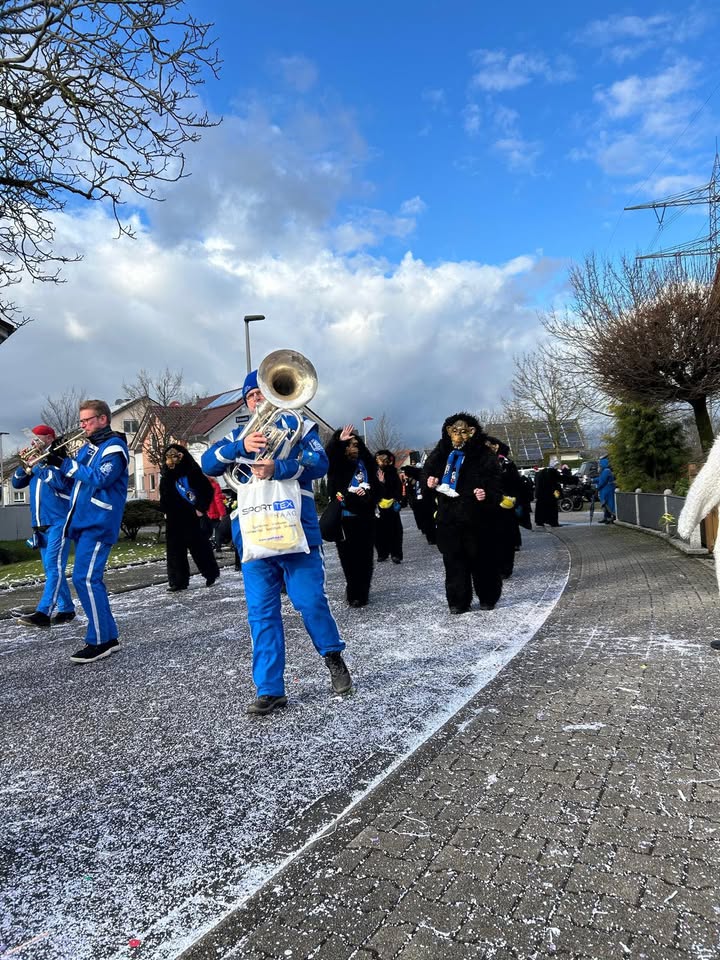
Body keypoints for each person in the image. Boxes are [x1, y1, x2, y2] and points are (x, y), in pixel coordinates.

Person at [202, 368, 352, 715]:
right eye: (252, 395)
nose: (259, 399)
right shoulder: (239, 435)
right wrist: (239, 446)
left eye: (263, 393)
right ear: (246, 401)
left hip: (296, 531)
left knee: (310, 601)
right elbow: (208, 464)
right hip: (253, 537)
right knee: (261, 614)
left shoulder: (302, 428)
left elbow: (319, 463)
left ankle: (333, 656)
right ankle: (270, 688)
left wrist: (279, 467)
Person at [58, 400, 129, 663]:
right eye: (82, 421)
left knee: (85, 579)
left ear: (103, 419)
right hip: (85, 522)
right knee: (87, 579)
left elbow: (101, 478)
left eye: (87, 420)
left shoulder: (115, 447)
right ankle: (107, 636)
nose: (83, 426)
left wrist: (69, 465)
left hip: (99, 521)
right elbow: (68, 479)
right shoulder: (89, 449)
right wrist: (50, 463)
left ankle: (100, 640)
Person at [424, 413, 503, 613]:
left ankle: (487, 597)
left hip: (478, 518)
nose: (458, 435)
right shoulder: (441, 452)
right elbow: (426, 474)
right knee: (453, 562)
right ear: (447, 431)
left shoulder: (483, 455)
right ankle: (458, 602)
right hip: (449, 518)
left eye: (463, 431)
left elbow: (496, 486)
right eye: (454, 431)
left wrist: (486, 494)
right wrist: (429, 482)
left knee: (482, 560)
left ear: (472, 432)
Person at [11, 425, 76, 628]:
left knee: (54, 567)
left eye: (37, 439)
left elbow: (60, 484)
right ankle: (66, 609)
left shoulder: (60, 461)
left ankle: (43, 612)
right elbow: (16, 484)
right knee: (51, 570)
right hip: (40, 524)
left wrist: (40, 464)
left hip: (58, 521)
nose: (33, 444)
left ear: (49, 438)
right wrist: (25, 465)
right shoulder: (35, 463)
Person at [325, 424, 380, 607]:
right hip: (345, 519)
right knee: (348, 560)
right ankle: (353, 591)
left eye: (355, 444)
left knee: (365, 559)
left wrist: (370, 496)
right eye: (349, 445)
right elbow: (327, 460)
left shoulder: (367, 464)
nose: (352, 448)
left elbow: (378, 490)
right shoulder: (337, 465)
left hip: (366, 518)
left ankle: (362, 593)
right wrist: (339, 442)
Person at [160, 444, 220, 592]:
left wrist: (200, 507)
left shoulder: (192, 471)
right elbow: (164, 494)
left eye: (175, 456)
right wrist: (165, 511)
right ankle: (178, 581)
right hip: (173, 517)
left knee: (199, 548)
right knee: (174, 551)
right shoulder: (166, 474)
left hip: (191, 515)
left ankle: (210, 574)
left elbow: (206, 490)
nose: (171, 460)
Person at [486, 436, 523, 579]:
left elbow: (517, 485)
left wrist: (513, 499)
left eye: (491, 446)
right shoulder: (479, 464)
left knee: (505, 539)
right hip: (486, 507)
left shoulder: (506, 464)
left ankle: (505, 568)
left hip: (505, 506)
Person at [375, 449, 403, 563]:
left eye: (384, 460)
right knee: (379, 532)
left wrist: (397, 499)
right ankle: (382, 553)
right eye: (380, 460)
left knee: (395, 531)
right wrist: (380, 483)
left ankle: (396, 554)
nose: (382, 463)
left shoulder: (392, 473)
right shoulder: (373, 473)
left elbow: (398, 488)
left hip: (391, 506)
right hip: (378, 507)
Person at [534, 459, 562, 528]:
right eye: (556, 465)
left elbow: (537, 483)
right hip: (550, 494)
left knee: (541, 508)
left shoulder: (541, 472)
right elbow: (555, 484)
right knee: (552, 509)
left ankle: (540, 521)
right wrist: (557, 493)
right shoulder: (553, 472)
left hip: (541, 494)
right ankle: (553, 522)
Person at [206, 475, 228, 551]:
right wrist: (222, 514)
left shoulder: (201, 485)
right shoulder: (215, 485)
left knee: (206, 530)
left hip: (205, 512)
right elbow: (217, 500)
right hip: (214, 512)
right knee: (218, 529)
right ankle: (218, 546)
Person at [595, 455, 616, 524]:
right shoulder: (606, 471)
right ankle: (607, 518)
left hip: (607, 490)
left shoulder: (606, 471)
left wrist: (597, 488)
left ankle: (611, 518)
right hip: (607, 489)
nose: (599, 466)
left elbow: (602, 481)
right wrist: (593, 480)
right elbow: (601, 479)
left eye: (600, 465)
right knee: (606, 505)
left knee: (608, 504)